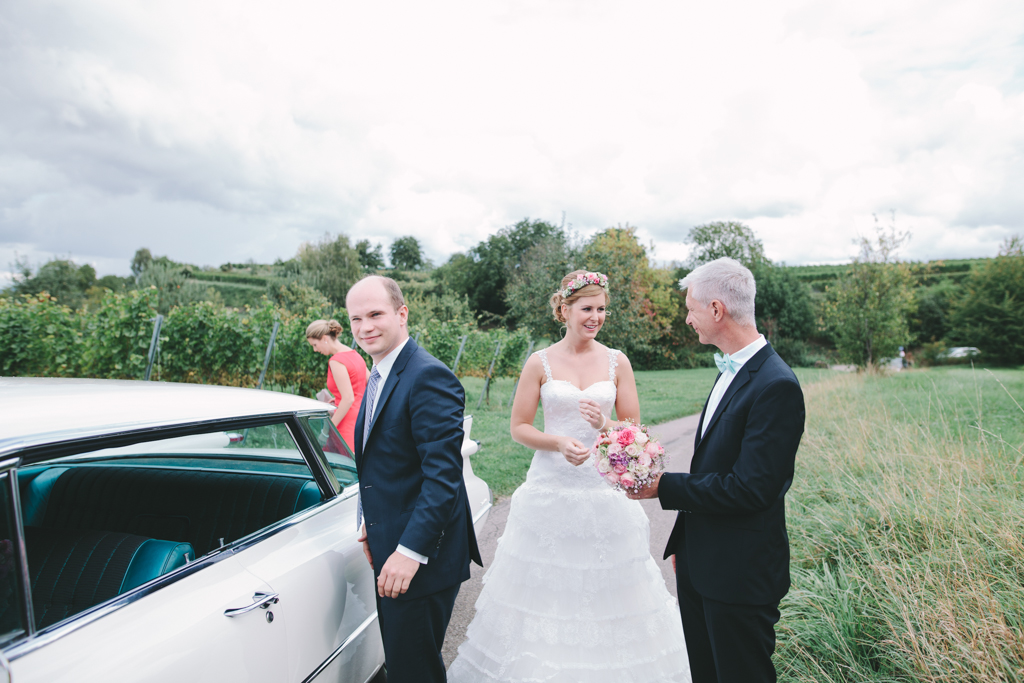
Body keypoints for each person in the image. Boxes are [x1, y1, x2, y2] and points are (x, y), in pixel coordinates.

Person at [447, 270, 691, 683]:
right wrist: (558, 442)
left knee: (607, 589)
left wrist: (606, 424)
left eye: (601, 309)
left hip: (603, 494)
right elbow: (519, 427)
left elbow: (634, 431)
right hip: (550, 491)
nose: (595, 317)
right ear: (564, 309)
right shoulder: (539, 362)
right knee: (546, 590)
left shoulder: (618, 361)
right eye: (586, 309)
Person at [629, 258, 805, 683]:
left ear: (716, 309)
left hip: (739, 576)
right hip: (701, 565)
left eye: (690, 308)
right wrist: (687, 548)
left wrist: (663, 487)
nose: (687, 318)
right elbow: (715, 462)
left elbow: (751, 489)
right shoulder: (731, 367)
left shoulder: (776, 385)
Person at [348, 275, 482, 683]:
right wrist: (369, 528)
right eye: (356, 319)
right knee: (406, 666)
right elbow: (383, 466)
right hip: (391, 544)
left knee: (413, 672)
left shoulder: (427, 376)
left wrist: (410, 551)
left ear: (402, 314)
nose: (365, 327)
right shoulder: (378, 377)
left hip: (422, 556)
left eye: (375, 314)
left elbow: (443, 478)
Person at [306, 319, 368, 451]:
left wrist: (328, 431)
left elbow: (348, 398)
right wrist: (338, 400)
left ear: (324, 338)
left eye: (315, 345)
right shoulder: (355, 355)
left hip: (346, 422)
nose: (315, 350)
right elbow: (369, 382)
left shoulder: (336, 361)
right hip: (361, 419)